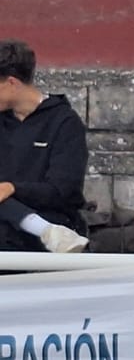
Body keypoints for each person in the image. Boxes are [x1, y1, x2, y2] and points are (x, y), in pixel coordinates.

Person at [0, 40, 90, 254]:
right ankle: (44, 230)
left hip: (50, 217)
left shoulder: (64, 123)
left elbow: (63, 191)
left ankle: (45, 229)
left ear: (12, 83)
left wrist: (13, 188)